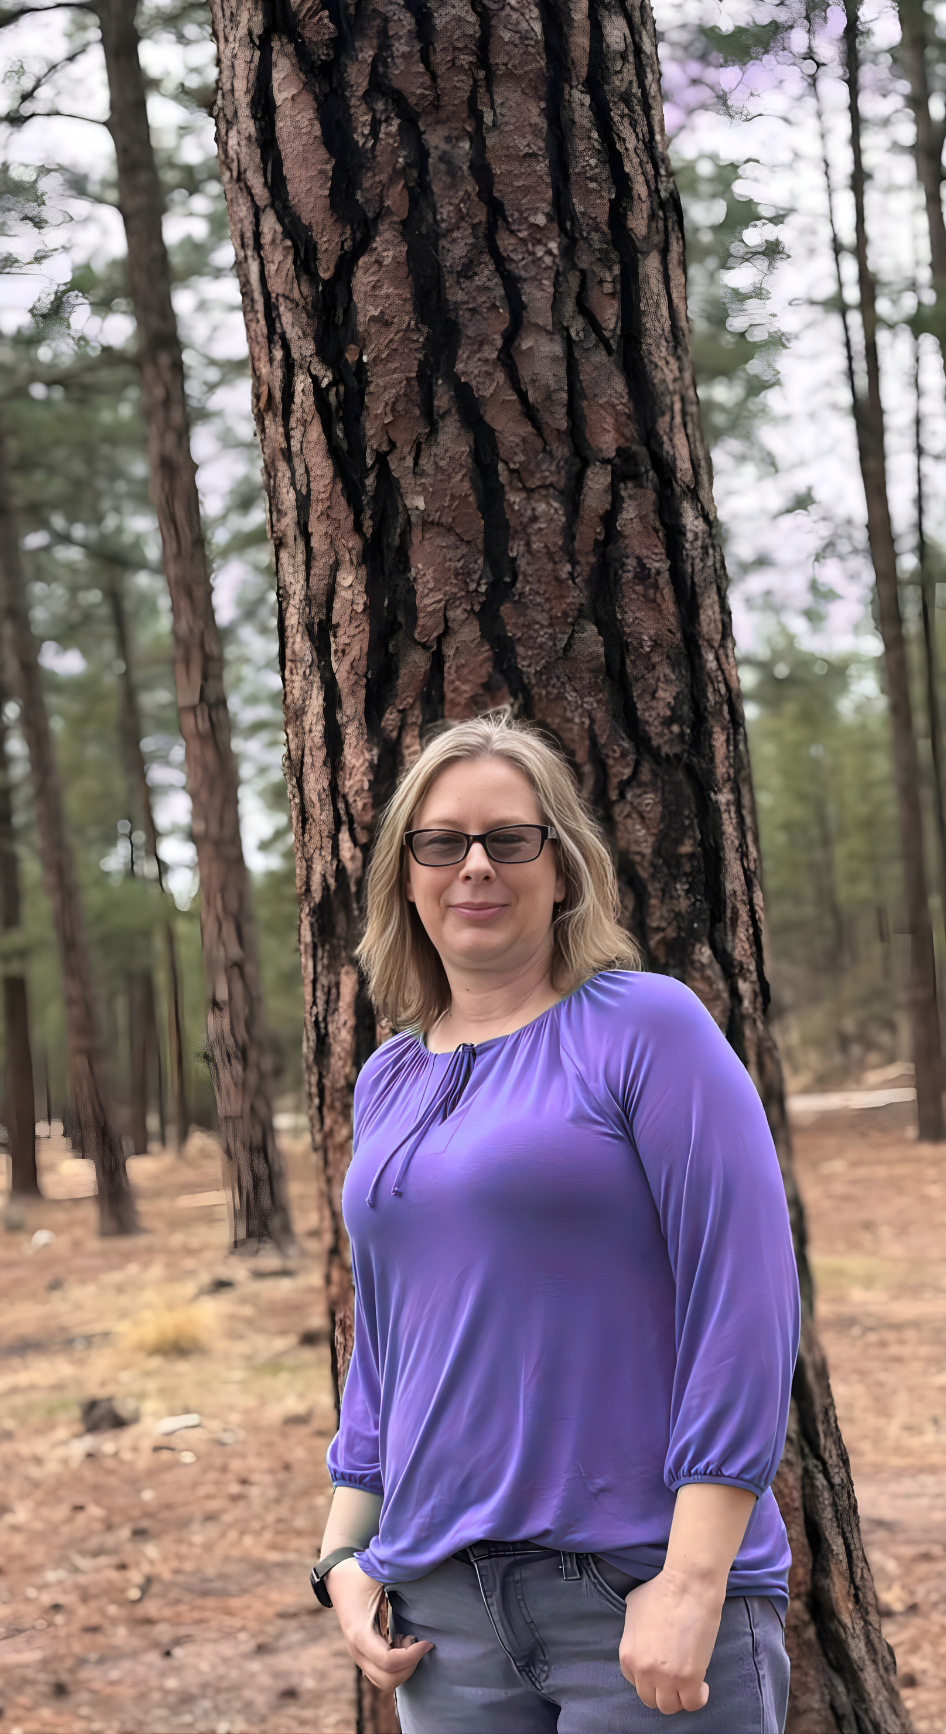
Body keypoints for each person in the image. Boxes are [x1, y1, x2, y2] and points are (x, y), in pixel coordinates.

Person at [311, 712, 799, 1730]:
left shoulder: (647, 1027)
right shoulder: (390, 1078)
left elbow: (745, 1302)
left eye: (510, 839)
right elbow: (388, 1342)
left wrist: (694, 1580)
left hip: (634, 1595)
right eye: (442, 842)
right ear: (406, 876)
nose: (475, 866)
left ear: (563, 867)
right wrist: (342, 1556)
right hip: (443, 1614)